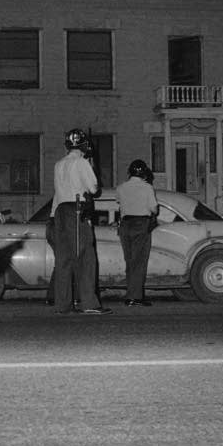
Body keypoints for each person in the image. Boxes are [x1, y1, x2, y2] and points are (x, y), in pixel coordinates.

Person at [49, 128, 112, 315]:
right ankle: (89, 304)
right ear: (84, 144)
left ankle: (63, 305)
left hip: (60, 211)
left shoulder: (58, 164)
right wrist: (92, 166)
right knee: (86, 258)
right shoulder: (82, 162)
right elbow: (93, 189)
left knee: (64, 259)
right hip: (76, 210)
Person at [116, 159, 159, 306]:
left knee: (129, 261)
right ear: (144, 173)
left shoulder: (121, 187)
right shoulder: (147, 188)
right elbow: (154, 209)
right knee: (139, 262)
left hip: (125, 225)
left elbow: (119, 203)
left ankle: (130, 293)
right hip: (141, 224)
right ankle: (135, 297)